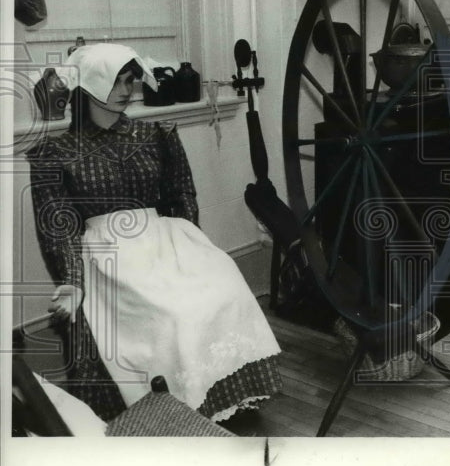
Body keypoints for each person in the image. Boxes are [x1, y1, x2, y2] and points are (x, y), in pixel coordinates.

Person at [26, 43, 282, 422]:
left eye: (131, 80)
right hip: (109, 258)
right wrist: (72, 281)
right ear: (89, 86)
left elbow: (182, 195)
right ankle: (170, 411)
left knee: (224, 290)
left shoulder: (155, 135)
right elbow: (57, 228)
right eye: (117, 81)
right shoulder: (56, 152)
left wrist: (193, 252)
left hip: (163, 243)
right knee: (173, 317)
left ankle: (222, 397)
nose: (128, 90)